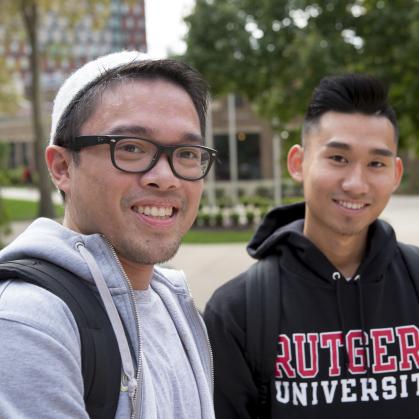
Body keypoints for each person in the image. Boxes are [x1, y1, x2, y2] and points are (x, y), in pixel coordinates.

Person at [0, 51, 217, 419]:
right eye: (131, 148)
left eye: (186, 153)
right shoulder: (26, 324)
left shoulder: (172, 303)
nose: (165, 177)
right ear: (62, 167)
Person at [204, 74, 419, 418]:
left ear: (395, 174)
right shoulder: (237, 311)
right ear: (297, 163)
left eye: (375, 164)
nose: (355, 183)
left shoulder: (414, 281)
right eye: (337, 158)